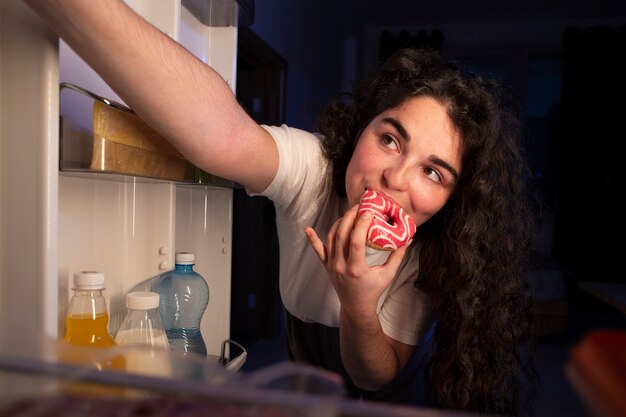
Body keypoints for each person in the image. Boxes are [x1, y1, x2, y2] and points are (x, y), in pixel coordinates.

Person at [25, 0, 536, 414]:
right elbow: (224, 134)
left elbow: (374, 376)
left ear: (452, 198)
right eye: (389, 139)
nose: (394, 179)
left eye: (432, 171)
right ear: (362, 131)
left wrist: (359, 303)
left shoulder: (438, 250)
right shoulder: (315, 170)